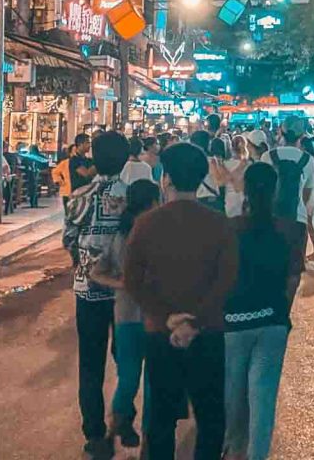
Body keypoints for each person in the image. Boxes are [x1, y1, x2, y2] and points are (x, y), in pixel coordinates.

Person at [124, 144, 238, 460]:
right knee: (211, 416)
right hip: (209, 333)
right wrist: (195, 322)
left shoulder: (146, 224)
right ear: (202, 177)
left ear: (167, 179)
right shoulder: (219, 224)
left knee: (161, 417)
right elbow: (226, 280)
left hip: (161, 334)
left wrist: (168, 318)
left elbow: (132, 280)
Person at [222, 162, 305, 460]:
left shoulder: (230, 228)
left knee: (232, 398)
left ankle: (232, 451)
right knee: (263, 398)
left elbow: (220, 276)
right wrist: (281, 313)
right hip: (272, 322)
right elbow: (292, 281)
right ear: (276, 190)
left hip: (233, 322)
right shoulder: (292, 230)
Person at [64, 130, 133, 458]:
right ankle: (124, 417)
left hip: (88, 290)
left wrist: (85, 262)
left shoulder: (79, 196)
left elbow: (69, 240)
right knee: (127, 360)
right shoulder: (132, 196)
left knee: (90, 365)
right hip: (125, 293)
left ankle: (94, 432)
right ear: (125, 159)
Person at [88, 178, 162, 450]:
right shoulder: (156, 234)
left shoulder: (120, 234)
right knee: (149, 379)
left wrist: (122, 285)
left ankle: (114, 433)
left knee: (129, 378)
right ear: (154, 202)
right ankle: (146, 441)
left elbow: (96, 273)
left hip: (128, 315)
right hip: (152, 316)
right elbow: (97, 273)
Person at [270, 120, 314, 259]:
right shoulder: (307, 159)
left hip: (272, 218)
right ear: (301, 136)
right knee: (295, 266)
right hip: (298, 218)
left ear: (281, 133)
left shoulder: (268, 156)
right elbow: (307, 194)